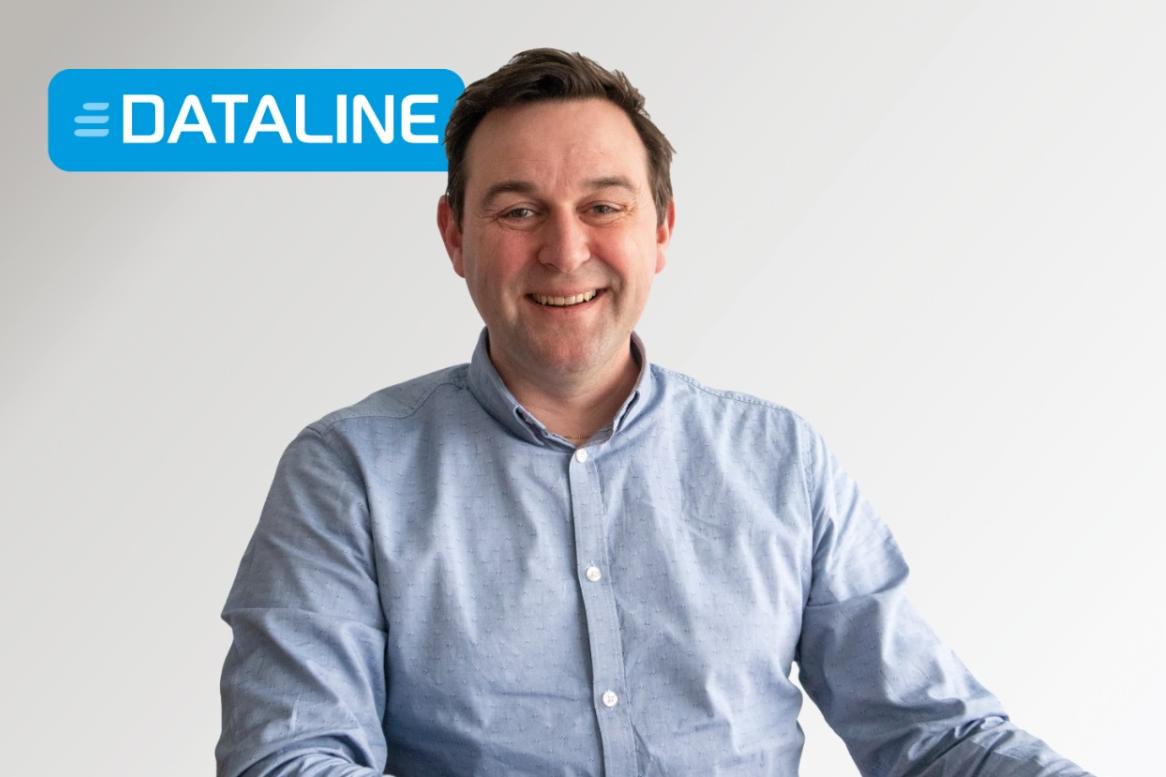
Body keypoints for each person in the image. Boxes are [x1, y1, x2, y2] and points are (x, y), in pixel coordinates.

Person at [216, 49, 1092, 777]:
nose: (566, 251)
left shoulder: (782, 460)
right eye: (519, 211)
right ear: (455, 235)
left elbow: (935, 736)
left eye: (604, 207)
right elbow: (289, 758)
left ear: (661, 228)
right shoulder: (349, 473)